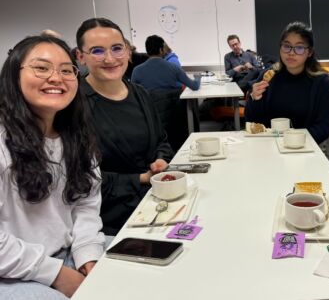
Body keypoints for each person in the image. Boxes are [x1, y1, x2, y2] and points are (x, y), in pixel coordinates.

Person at [0, 35, 105, 299]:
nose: (56, 78)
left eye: (67, 70)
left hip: (65, 252)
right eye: (42, 68)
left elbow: (85, 203)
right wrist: (55, 274)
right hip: (10, 271)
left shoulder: (75, 136)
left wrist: (88, 253)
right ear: (14, 75)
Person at [76, 18, 174, 235]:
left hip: (155, 206)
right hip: (108, 222)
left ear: (128, 52)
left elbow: (161, 140)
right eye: (97, 51)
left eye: (117, 48)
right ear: (80, 57)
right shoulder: (74, 105)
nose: (110, 58)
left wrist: (160, 159)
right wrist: (139, 179)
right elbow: (78, 177)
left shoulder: (140, 94)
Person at [245, 21, 329, 144]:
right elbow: (252, 121)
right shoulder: (268, 76)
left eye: (299, 48)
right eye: (286, 46)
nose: (291, 53)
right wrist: (254, 98)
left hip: (304, 148)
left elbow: (324, 127)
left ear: (309, 52)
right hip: (269, 146)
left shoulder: (321, 82)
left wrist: (293, 142)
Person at [131, 35, 200, 91]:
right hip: (173, 107)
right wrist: (198, 77)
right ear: (161, 50)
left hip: (149, 107)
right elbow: (194, 86)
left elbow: (133, 94)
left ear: (147, 50)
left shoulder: (137, 71)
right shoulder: (174, 67)